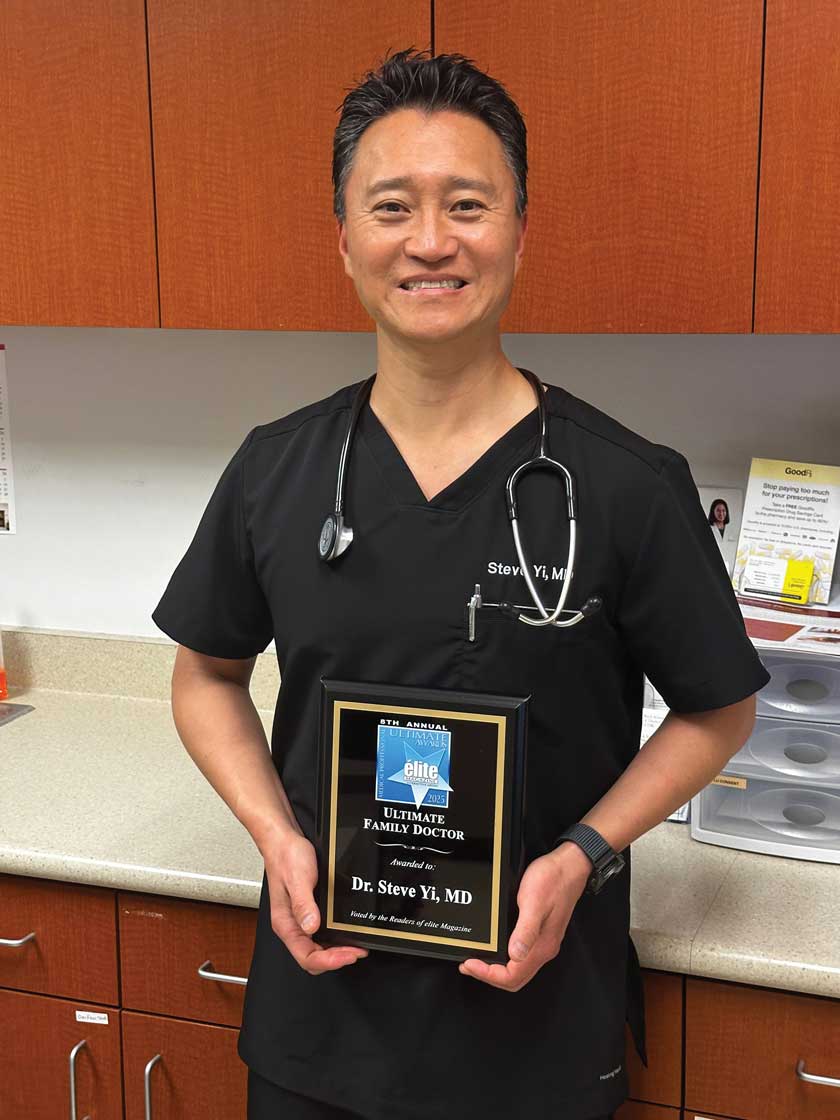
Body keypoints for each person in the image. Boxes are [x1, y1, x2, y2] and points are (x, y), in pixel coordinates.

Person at [151, 47, 771, 1120]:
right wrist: (276, 837)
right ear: (345, 238)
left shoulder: (625, 484)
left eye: (468, 205)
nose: (430, 241)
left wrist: (583, 855)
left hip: (537, 1030)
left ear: (520, 232)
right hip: (320, 1022)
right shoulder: (276, 470)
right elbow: (204, 675)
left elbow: (720, 709)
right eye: (392, 206)